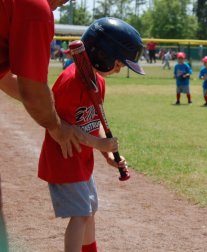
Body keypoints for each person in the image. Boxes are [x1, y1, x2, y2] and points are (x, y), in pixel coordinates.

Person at [38, 17, 144, 252]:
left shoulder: (98, 83)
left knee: (89, 210)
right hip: (64, 159)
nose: (119, 69)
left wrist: (105, 154)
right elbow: (60, 127)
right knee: (80, 214)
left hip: (82, 159)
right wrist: (98, 143)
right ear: (103, 55)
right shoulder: (70, 82)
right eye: (119, 63)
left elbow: (90, 123)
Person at [0, 1, 83, 250]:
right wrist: (57, 126)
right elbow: (33, 91)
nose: (66, 2)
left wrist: (54, 113)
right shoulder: (35, 7)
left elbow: (4, 79)